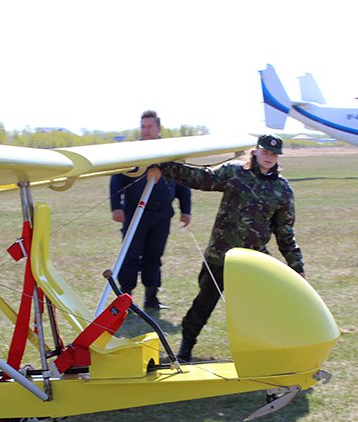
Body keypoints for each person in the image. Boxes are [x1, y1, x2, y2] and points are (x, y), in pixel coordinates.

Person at [154, 133, 304, 362]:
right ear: (255, 151)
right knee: (204, 304)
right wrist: (163, 166)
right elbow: (200, 178)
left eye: (274, 154)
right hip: (219, 256)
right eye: (265, 152)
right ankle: (185, 350)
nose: (269, 157)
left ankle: (262, 354)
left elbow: (285, 231)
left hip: (254, 262)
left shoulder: (282, 189)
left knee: (259, 309)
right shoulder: (234, 172)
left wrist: (296, 265)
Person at [109, 110, 191, 310]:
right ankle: (125, 300)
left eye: (150, 126)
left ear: (158, 128)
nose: (146, 130)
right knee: (130, 255)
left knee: (154, 256)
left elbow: (182, 182)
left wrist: (186, 210)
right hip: (135, 213)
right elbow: (116, 180)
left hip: (162, 214)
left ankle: (151, 299)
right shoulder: (132, 151)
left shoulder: (170, 152)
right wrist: (116, 208)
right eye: (143, 126)